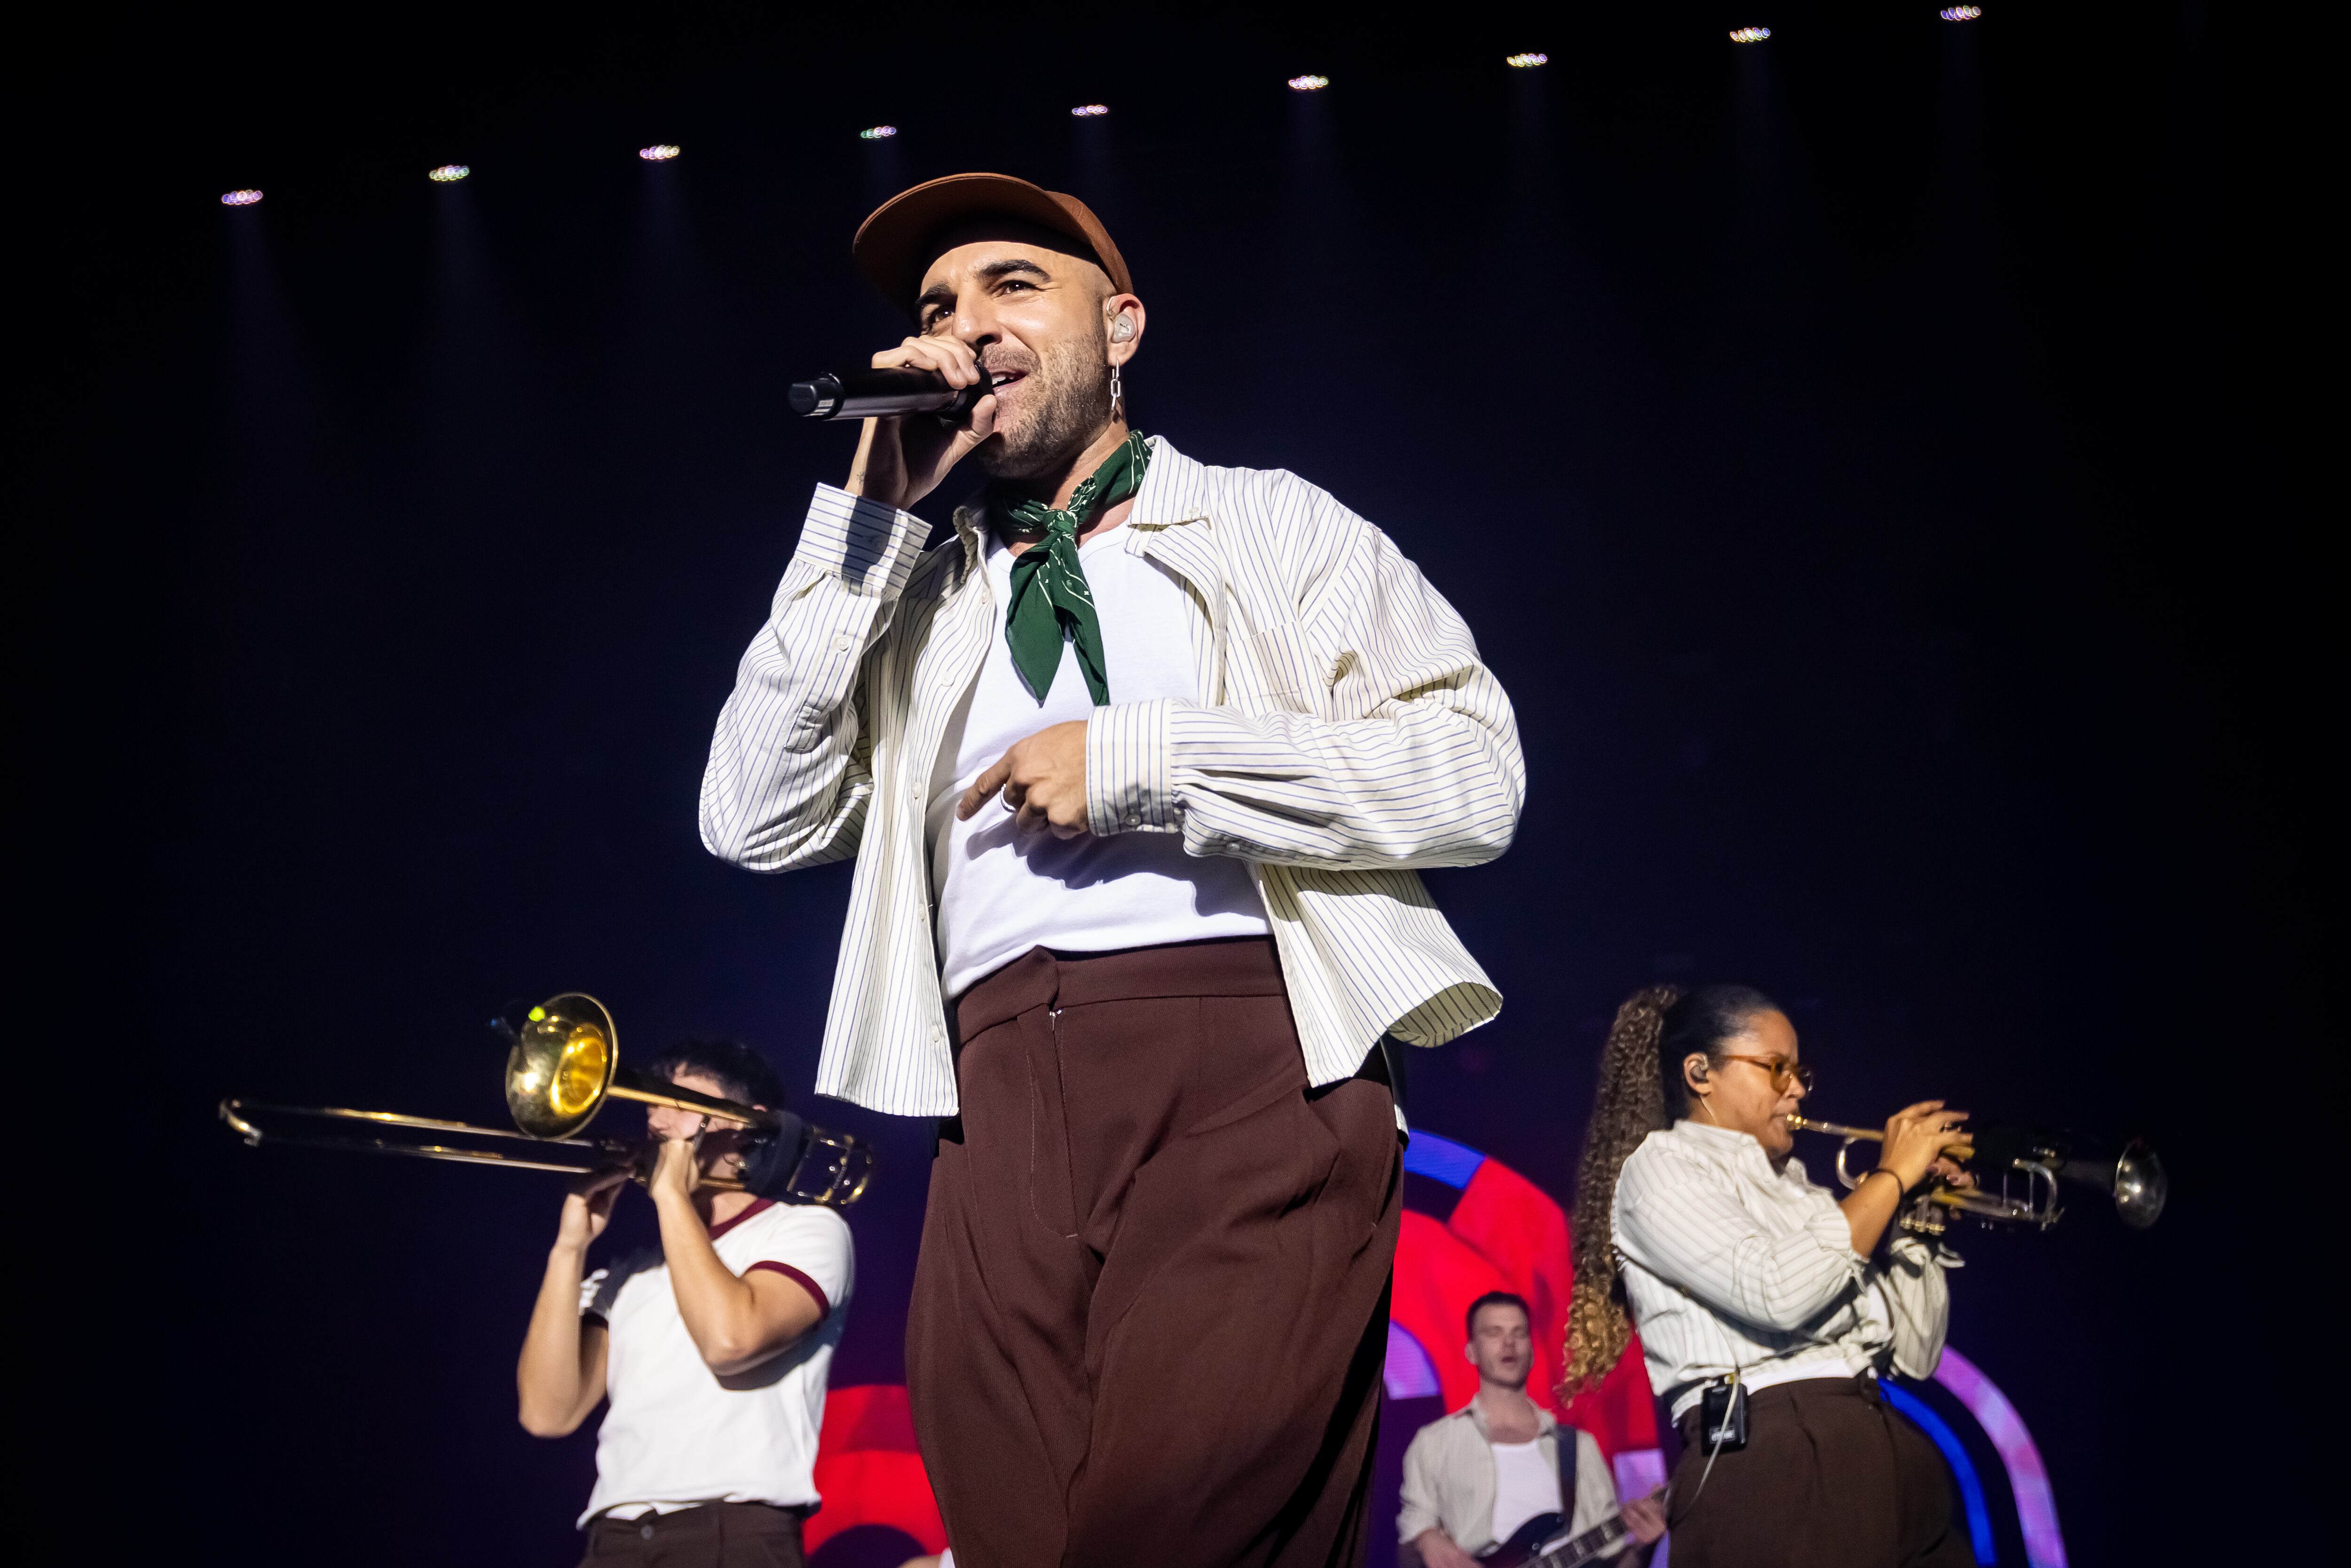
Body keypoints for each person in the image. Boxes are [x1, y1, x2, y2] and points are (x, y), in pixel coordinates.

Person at [700, 172, 1525, 1567]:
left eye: (1012, 285)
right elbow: (749, 813)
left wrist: (1148, 762)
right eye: (936, 308)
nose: (964, 326)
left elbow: (1472, 772)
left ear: (1121, 327)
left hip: (1248, 1065)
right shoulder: (915, 598)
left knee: (1167, 1531)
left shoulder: (1269, 522)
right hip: (991, 1106)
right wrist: (866, 526)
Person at [1561, 985, 1974, 1568]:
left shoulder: (1803, 1190)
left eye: (1800, 1073)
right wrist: (1890, 1177)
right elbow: (1776, 1293)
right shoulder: (1658, 1168)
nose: (1797, 1089)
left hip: (1880, 1441)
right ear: (1700, 1073)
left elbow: (1913, 1354)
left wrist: (1917, 1221)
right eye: (1776, 1068)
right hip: (1776, 1461)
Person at [516, 1038, 855, 1568]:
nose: (656, 1120)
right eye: (651, 1105)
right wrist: (569, 1248)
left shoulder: (807, 1229)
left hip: (731, 1533)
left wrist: (671, 1194)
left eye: (677, 1103)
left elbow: (729, 1340)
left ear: (742, 1121)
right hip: (613, 1539)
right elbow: (547, 1413)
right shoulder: (630, 1270)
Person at [1399, 1292, 1665, 1568]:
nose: (1509, 1343)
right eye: (1494, 1333)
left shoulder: (1579, 1447)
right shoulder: (1435, 1443)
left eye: (1519, 1333)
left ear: (1532, 1352)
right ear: (1471, 1352)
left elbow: (1614, 1562)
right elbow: (1406, 1551)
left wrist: (1643, 1548)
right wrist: (1425, 1541)